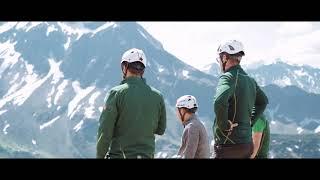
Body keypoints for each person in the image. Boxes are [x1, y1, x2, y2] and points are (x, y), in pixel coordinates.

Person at [96, 48, 167, 159]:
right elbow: (161, 129)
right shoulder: (158, 96)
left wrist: (99, 156)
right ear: (142, 70)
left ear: (125, 67)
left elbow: (105, 131)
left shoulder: (115, 93)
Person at [212, 40, 269, 158]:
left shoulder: (228, 77)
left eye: (219, 59)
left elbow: (219, 101)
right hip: (246, 144)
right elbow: (263, 101)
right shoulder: (250, 80)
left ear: (224, 57)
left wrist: (224, 126)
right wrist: (250, 122)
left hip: (228, 145)